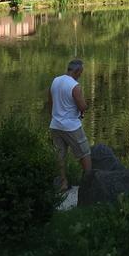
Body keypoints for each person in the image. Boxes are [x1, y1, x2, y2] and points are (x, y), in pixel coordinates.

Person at [48, 58, 92, 191]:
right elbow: (82, 106)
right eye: (81, 72)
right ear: (77, 71)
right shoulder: (75, 86)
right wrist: (87, 105)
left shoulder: (55, 81)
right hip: (71, 126)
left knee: (60, 155)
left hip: (55, 125)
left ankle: (63, 183)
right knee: (84, 153)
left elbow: (50, 101)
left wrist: (54, 115)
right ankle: (89, 183)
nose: (81, 75)